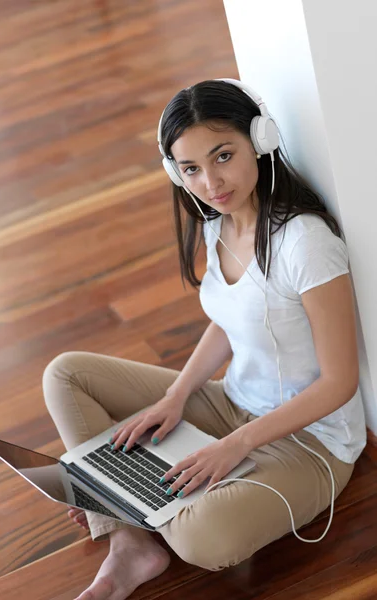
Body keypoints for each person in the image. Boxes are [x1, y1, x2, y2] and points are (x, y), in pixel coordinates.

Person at [42, 79, 366, 600]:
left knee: (202, 538)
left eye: (223, 156)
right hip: (233, 404)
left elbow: (339, 383)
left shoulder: (306, 244)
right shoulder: (218, 223)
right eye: (191, 168)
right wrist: (176, 398)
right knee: (66, 375)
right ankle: (129, 540)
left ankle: (119, 494)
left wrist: (233, 447)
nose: (211, 182)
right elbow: (230, 320)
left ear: (260, 140)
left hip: (311, 445)